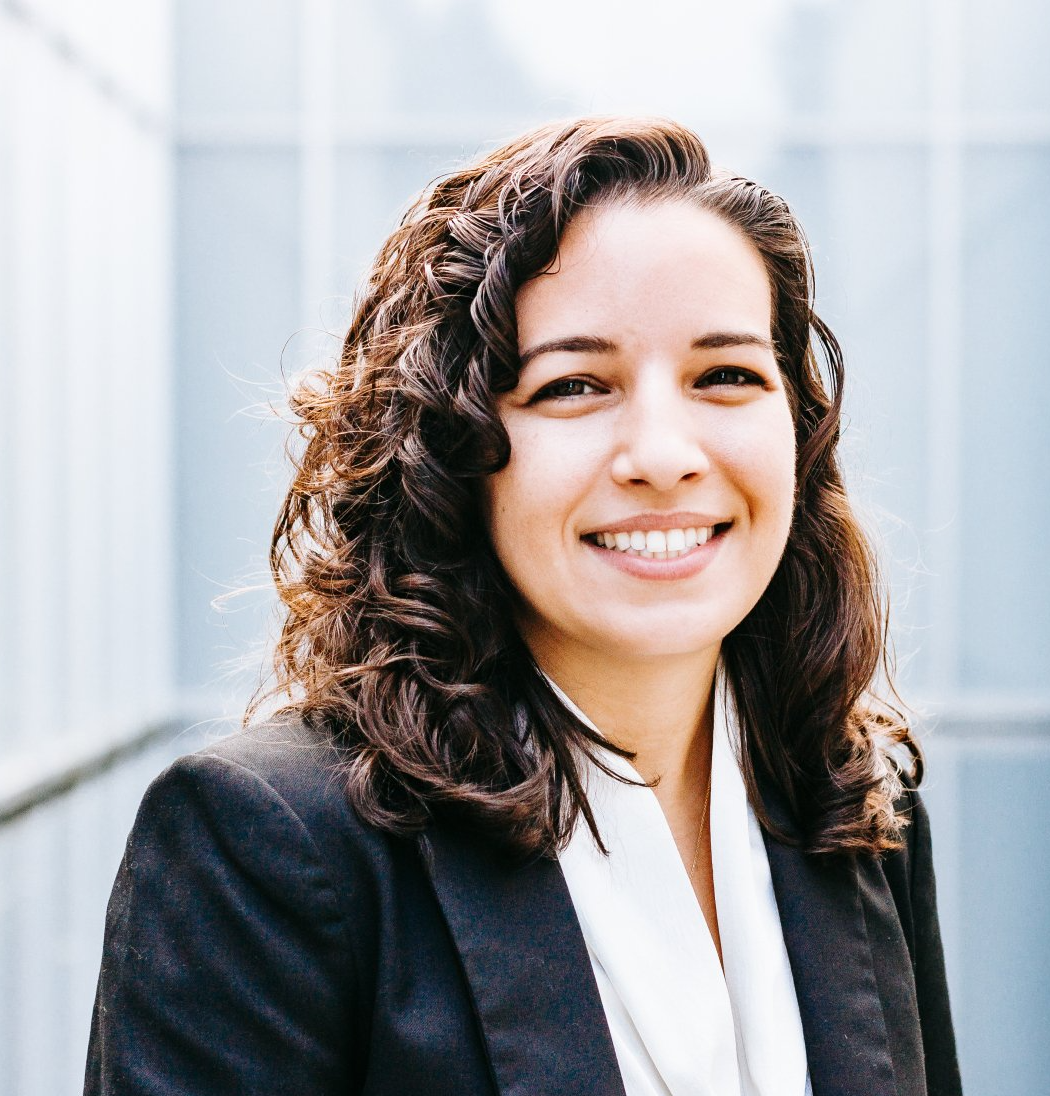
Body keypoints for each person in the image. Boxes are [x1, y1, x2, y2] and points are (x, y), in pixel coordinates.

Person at [85, 116, 962, 1096]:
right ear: (453, 451)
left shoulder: (852, 807)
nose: (664, 454)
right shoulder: (268, 847)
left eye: (726, 375)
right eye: (575, 385)